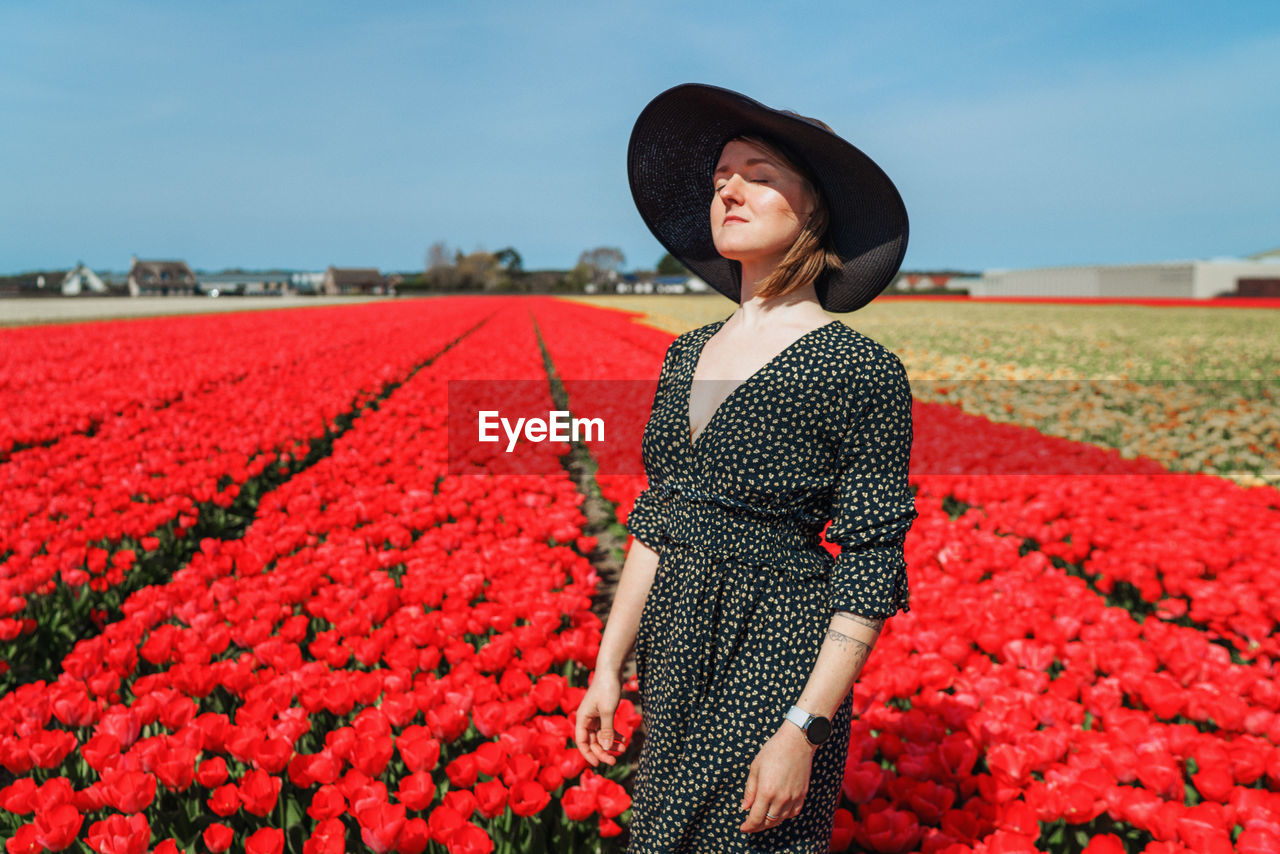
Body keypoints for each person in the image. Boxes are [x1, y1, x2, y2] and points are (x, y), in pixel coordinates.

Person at [574, 83, 919, 853]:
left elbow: (869, 562)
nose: (728, 187)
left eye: (758, 173)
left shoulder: (858, 369)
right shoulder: (687, 353)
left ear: (816, 209)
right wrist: (608, 668)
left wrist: (805, 727)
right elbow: (660, 519)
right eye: (722, 175)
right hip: (676, 648)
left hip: (778, 649)